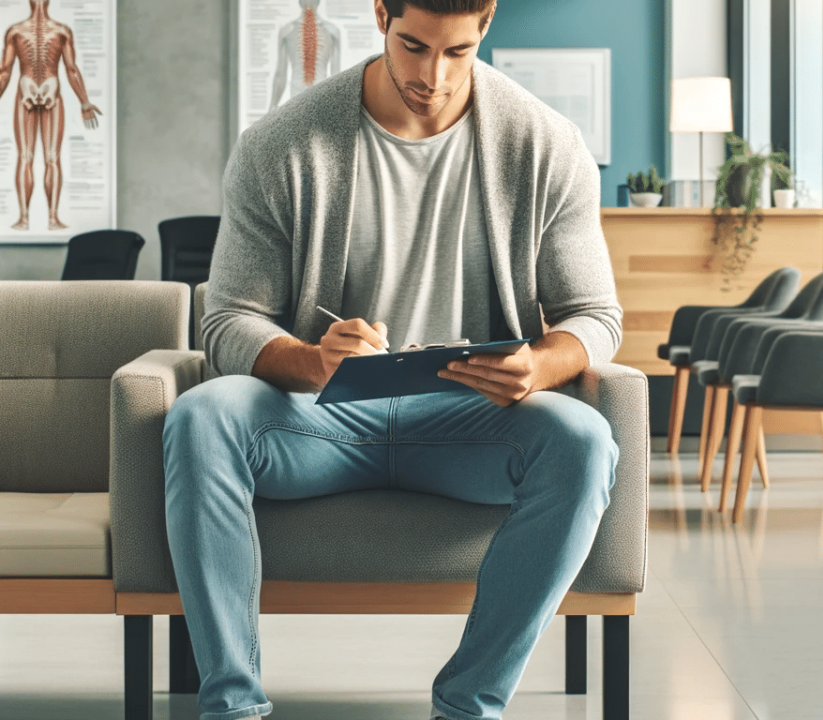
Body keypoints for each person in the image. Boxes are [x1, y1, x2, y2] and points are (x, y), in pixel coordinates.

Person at [162, 1, 623, 719]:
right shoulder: (282, 143)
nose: (432, 77)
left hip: (471, 422)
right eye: (412, 46)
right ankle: (232, 706)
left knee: (586, 440)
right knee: (200, 416)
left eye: (457, 52)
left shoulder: (544, 143)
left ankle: (470, 703)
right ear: (379, 12)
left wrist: (539, 364)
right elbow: (226, 319)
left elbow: (595, 317)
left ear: (487, 25)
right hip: (317, 417)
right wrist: (312, 361)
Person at [0, 0, 102, 231]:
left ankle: (47, 218)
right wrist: (84, 102)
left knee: (47, 158)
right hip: (35, 92)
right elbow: (4, 71)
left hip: (44, 93)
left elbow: (71, 69)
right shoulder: (22, 31)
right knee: (30, 157)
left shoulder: (52, 31)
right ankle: (28, 218)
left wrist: (85, 102)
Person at [269, 0, 341, 111]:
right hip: (299, 101)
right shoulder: (287, 31)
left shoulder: (332, 31)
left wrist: (272, 107)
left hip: (319, 100)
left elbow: (336, 76)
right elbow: (280, 75)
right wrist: (272, 107)